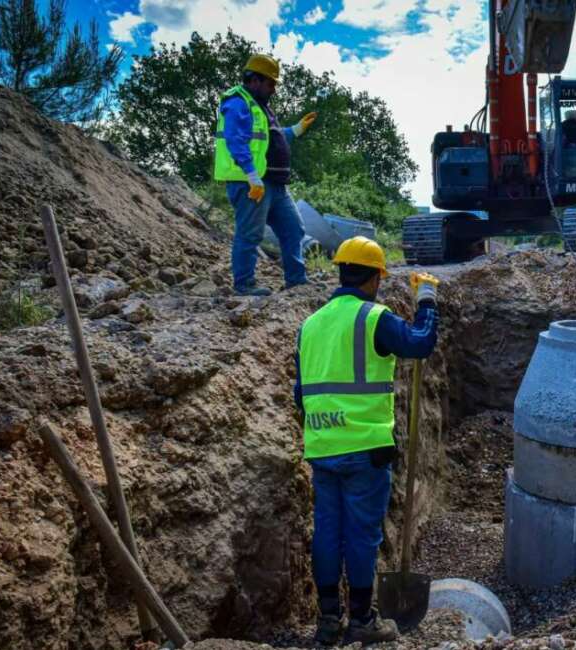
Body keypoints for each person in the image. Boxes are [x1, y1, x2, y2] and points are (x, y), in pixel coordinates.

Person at [293, 236, 440, 645]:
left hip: (322, 447)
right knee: (361, 535)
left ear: (341, 270)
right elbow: (421, 343)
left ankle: (327, 619)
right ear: (376, 277)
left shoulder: (310, 325)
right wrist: (426, 297)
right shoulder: (374, 318)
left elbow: (298, 393)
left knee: (326, 533)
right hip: (366, 450)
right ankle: (361, 618)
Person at [213, 54, 319, 296]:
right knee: (250, 234)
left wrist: (296, 130)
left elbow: (271, 137)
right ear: (255, 80)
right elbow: (235, 140)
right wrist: (251, 176)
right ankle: (244, 285)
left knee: (293, 229)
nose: (273, 89)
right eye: (270, 83)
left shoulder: (261, 106)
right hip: (252, 183)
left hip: (276, 185)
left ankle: (296, 280)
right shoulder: (238, 102)